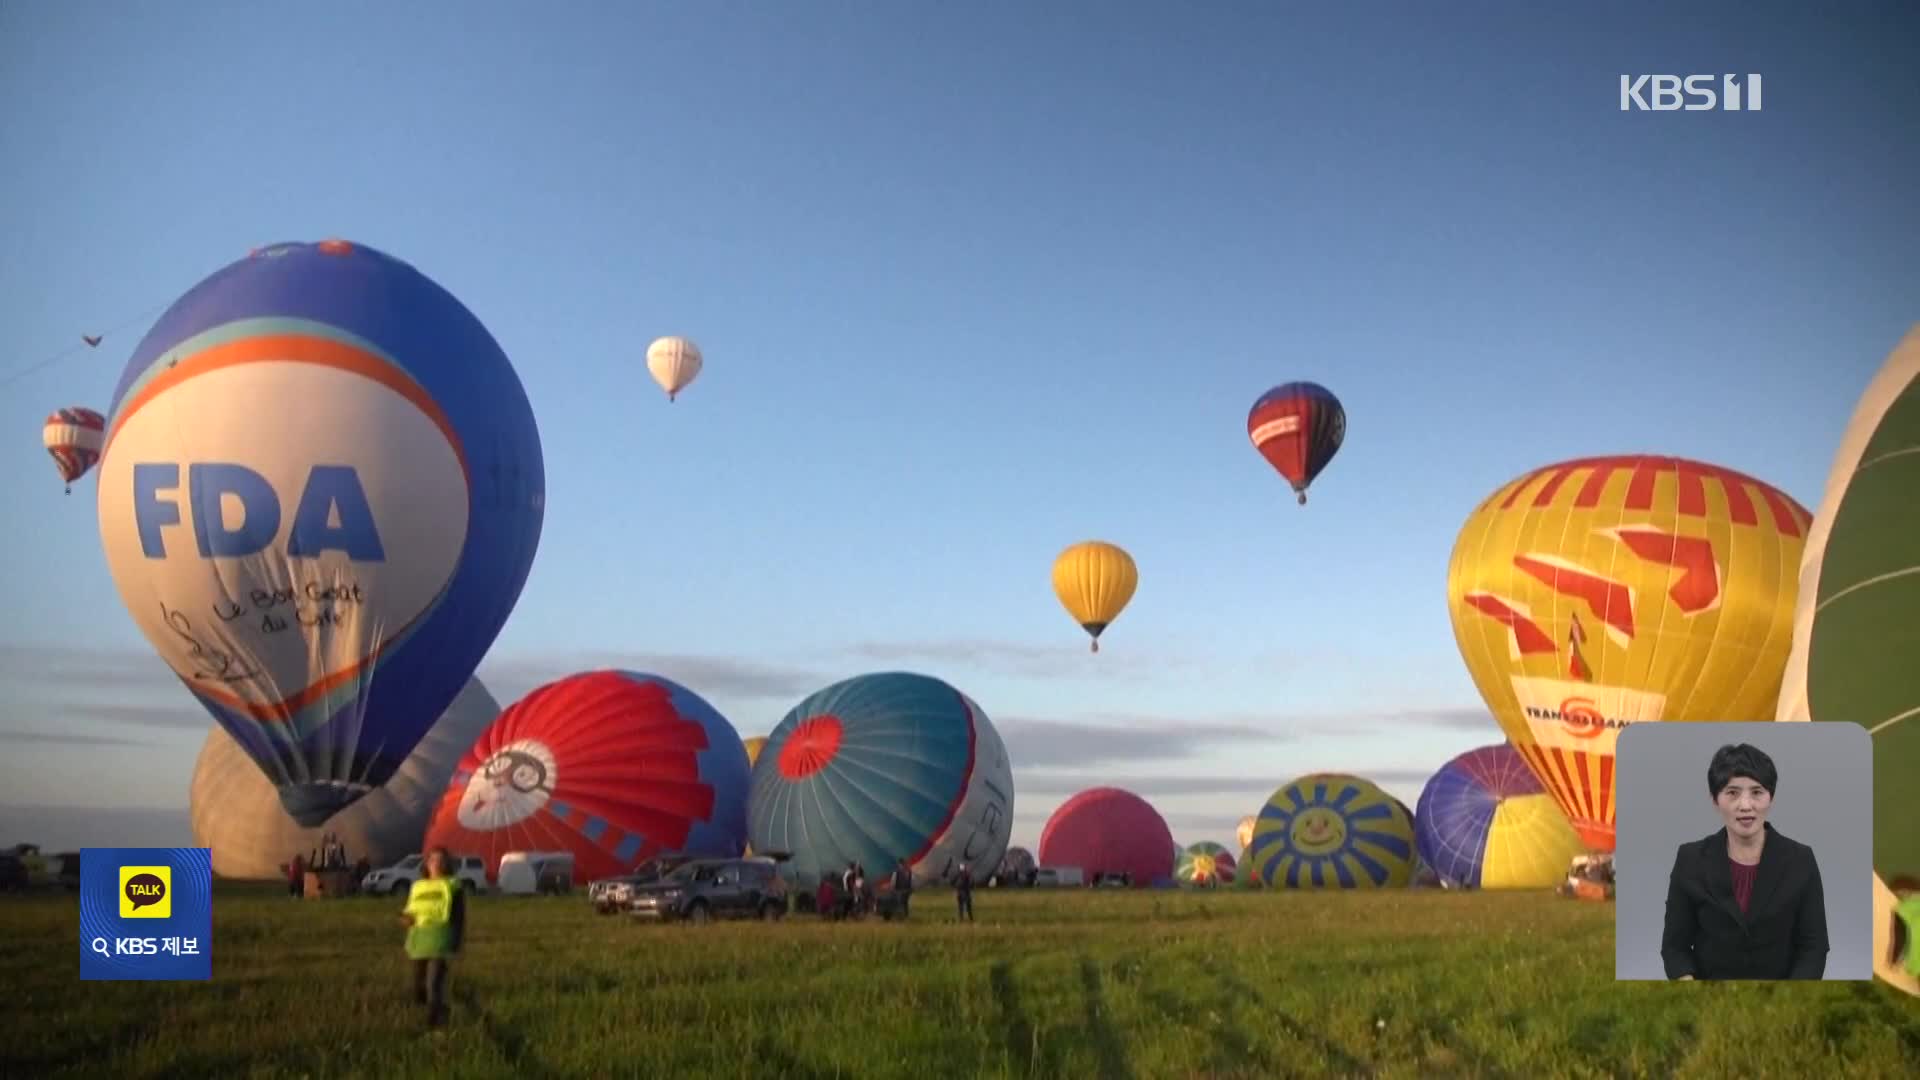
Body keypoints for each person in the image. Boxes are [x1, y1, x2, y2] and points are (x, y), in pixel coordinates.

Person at [1660, 743, 1828, 980]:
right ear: (1714, 799)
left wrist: (1792, 997)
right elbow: (1675, 947)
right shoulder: (1690, 860)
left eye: (1757, 792)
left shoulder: (1801, 860)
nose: (1746, 805)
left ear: (1771, 797)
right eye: (1732, 793)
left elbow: (1814, 946)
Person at [400, 847, 466, 1028]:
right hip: (419, 939)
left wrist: (457, 941)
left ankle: (435, 1023)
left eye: (440, 860)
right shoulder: (418, 887)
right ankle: (436, 1008)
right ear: (427, 864)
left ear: (446, 864)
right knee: (417, 984)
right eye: (433, 860)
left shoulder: (453, 886)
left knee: (433, 982)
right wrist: (406, 918)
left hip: (440, 938)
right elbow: (411, 909)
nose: (436, 863)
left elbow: (459, 917)